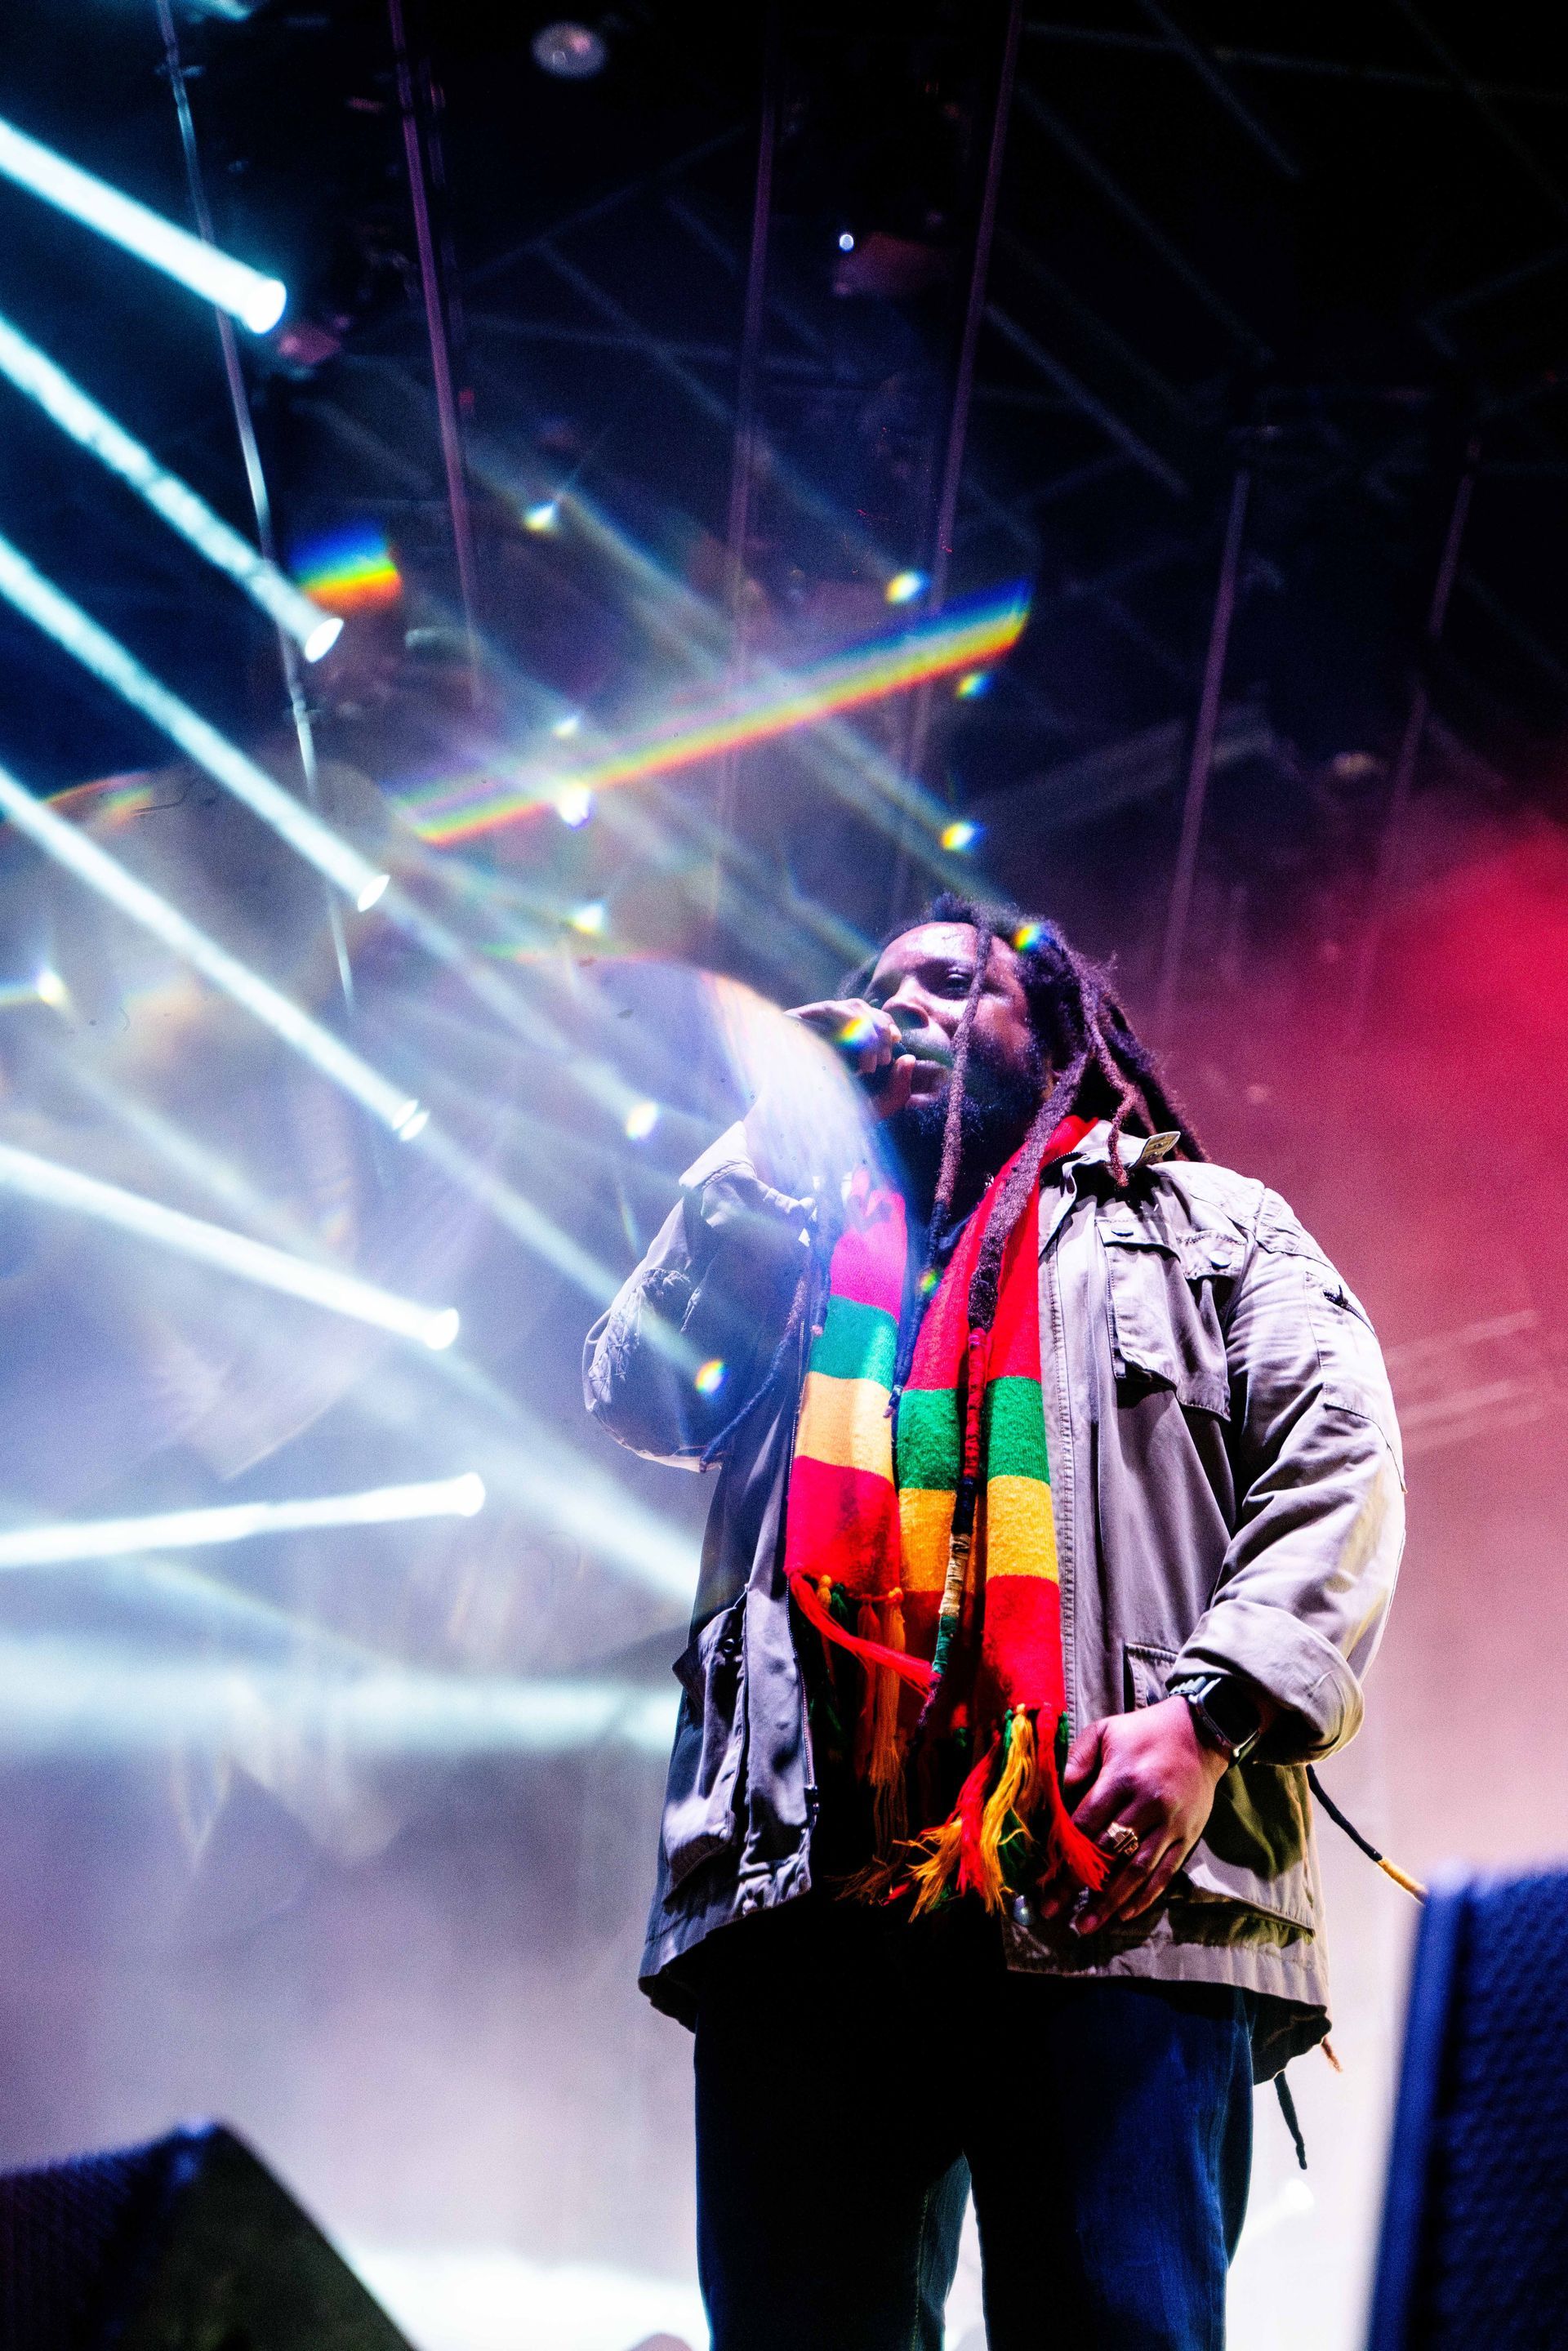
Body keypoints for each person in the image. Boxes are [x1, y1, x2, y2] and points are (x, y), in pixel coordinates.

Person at [583, 893, 1404, 2351]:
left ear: (1065, 1041)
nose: (907, 1010)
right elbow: (640, 1394)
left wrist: (1211, 1719)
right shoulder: (786, 1246)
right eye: (882, 990)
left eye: (959, 986)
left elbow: (1340, 1466)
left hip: (1106, 1878)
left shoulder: (1209, 1224)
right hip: (816, 1897)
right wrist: (759, 1166)